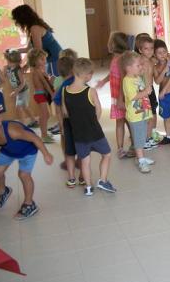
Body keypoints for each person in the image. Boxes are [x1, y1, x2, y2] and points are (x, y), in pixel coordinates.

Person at [63, 58, 116, 196]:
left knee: (85, 161)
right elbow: (98, 109)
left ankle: (88, 187)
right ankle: (103, 180)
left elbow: (65, 113)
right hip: (95, 132)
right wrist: (94, 121)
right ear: (88, 75)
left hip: (78, 134)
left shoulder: (65, 91)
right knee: (107, 154)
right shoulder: (90, 91)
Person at [0, 112, 52, 219]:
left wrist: (46, 154)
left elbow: (35, 138)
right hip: (8, 150)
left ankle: (29, 204)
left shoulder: (13, 131)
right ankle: (3, 192)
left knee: (23, 175)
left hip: (27, 150)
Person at [96, 32, 133, 158]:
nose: (108, 44)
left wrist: (121, 99)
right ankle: (120, 149)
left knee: (129, 120)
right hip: (116, 97)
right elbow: (112, 74)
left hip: (122, 97)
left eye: (109, 41)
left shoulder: (121, 59)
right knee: (120, 121)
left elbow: (123, 79)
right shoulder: (115, 58)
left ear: (114, 44)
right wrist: (103, 81)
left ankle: (134, 145)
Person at [54, 55, 85, 187]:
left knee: (70, 151)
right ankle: (83, 176)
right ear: (74, 69)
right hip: (82, 122)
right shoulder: (81, 83)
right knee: (83, 151)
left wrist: (61, 125)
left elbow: (58, 109)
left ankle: (71, 178)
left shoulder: (61, 87)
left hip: (68, 123)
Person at [122, 51, 154, 173]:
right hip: (135, 116)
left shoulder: (137, 77)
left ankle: (141, 157)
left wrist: (144, 73)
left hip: (142, 113)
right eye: (138, 65)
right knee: (138, 138)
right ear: (128, 68)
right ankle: (141, 161)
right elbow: (133, 96)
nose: (140, 67)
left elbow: (144, 86)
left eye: (140, 65)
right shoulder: (127, 80)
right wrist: (145, 92)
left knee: (142, 137)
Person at [11, 4, 62, 76]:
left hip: (54, 59)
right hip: (53, 58)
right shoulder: (34, 27)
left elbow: (37, 52)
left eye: (16, 20)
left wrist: (26, 67)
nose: (16, 22)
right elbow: (28, 49)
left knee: (54, 81)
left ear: (22, 18)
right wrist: (12, 51)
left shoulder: (35, 28)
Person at [136, 34, 160, 149]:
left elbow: (157, 79)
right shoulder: (139, 62)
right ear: (140, 50)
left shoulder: (151, 61)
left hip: (151, 91)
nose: (150, 51)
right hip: (144, 92)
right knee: (146, 117)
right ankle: (144, 140)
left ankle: (149, 137)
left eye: (151, 48)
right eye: (146, 48)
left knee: (152, 115)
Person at [27, 48, 55, 143]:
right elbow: (45, 84)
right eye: (42, 59)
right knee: (44, 115)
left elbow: (47, 81)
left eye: (45, 59)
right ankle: (43, 135)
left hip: (42, 95)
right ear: (34, 61)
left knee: (46, 115)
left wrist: (50, 79)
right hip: (40, 95)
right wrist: (52, 93)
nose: (44, 61)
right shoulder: (37, 71)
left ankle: (44, 133)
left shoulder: (41, 70)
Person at [4, 49, 37, 128]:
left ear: (16, 62)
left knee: (20, 107)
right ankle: (33, 120)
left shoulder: (18, 70)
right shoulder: (9, 68)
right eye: (7, 61)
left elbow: (23, 83)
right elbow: (5, 75)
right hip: (19, 91)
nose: (8, 63)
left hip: (23, 91)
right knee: (23, 107)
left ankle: (23, 124)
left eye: (10, 62)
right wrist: (5, 70)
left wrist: (16, 91)